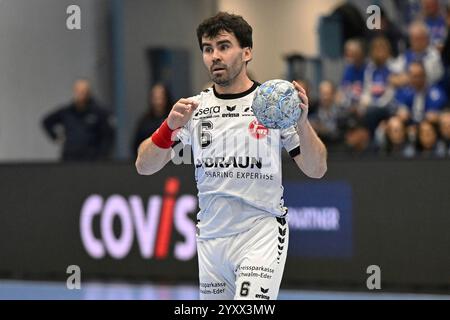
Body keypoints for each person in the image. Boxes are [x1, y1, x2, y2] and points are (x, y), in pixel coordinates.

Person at [135, 12, 327, 300]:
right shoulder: (193, 109)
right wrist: (168, 127)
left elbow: (317, 169)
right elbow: (144, 166)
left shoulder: (271, 105)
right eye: (208, 49)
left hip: (260, 234)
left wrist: (301, 123)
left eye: (224, 46)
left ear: (247, 52)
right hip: (211, 241)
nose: (214, 56)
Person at [42, 79, 115, 161]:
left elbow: (108, 136)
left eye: (83, 91)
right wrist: (56, 137)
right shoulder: (67, 111)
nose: (80, 94)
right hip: (69, 158)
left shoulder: (99, 112)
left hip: (91, 159)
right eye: (78, 91)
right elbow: (46, 121)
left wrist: (103, 155)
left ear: (89, 92)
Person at [132, 83, 171, 156]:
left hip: (173, 161)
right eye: (156, 98)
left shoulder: (174, 118)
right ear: (151, 99)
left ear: (166, 98)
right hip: (151, 161)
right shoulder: (144, 122)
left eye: (161, 97)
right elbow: (136, 146)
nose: (158, 102)